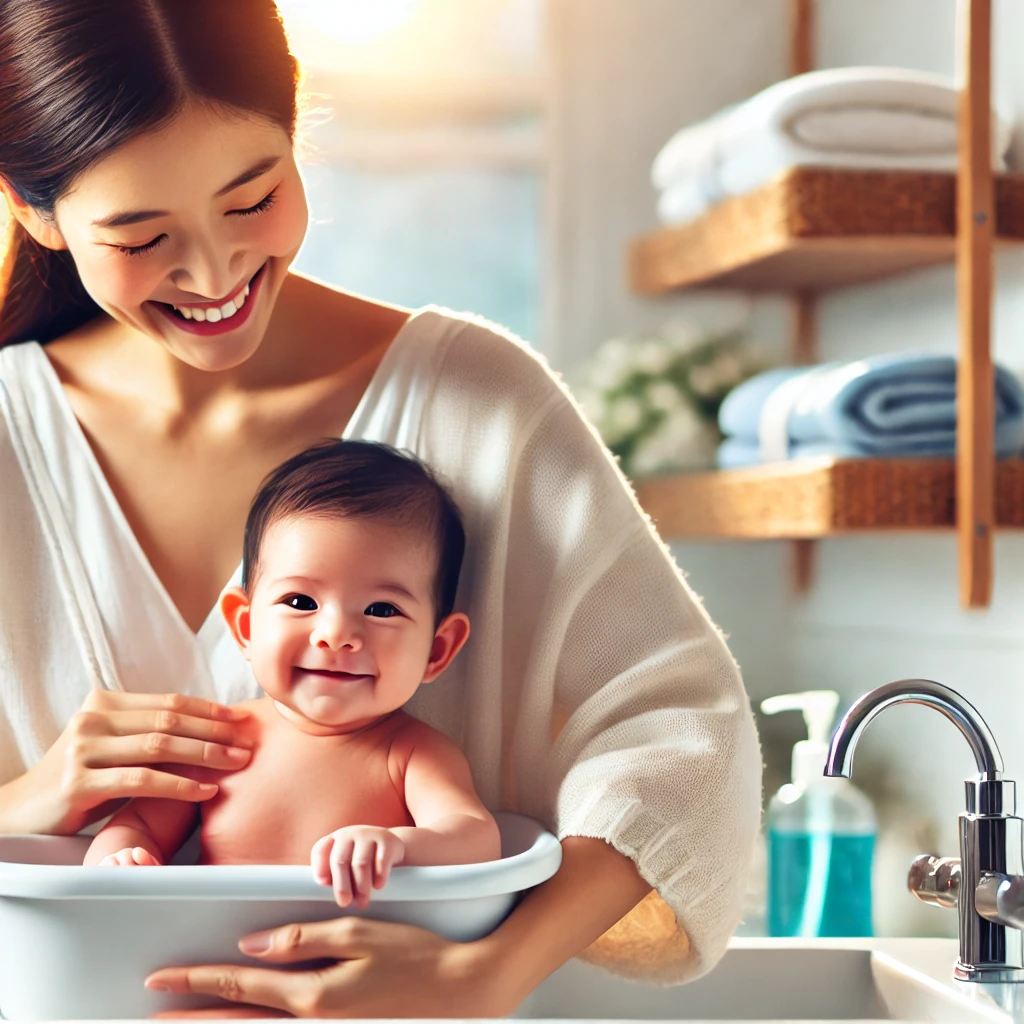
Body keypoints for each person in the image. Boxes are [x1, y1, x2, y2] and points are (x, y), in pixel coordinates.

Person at [0, 0, 761, 1017]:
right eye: (142, 236)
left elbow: (681, 738)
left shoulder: (479, 402)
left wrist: (487, 973)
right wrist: (27, 801)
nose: (215, 274)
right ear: (32, 210)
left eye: (252, 196)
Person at [82, 439, 502, 911]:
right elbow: (135, 825)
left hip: (353, 967)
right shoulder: (219, 743)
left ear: (437, 650)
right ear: (245, 627)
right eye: (301, 602)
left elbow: (475, 837)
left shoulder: (409, 753)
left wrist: (400, 845)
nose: (336, 635)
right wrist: (120, 859)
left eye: (382, 609)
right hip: (204, 949)